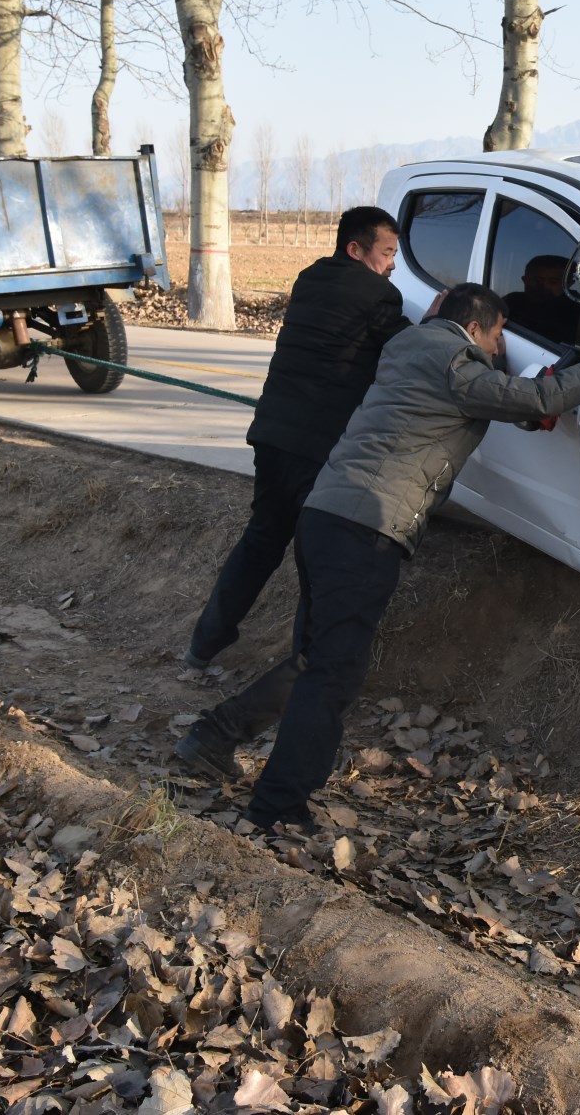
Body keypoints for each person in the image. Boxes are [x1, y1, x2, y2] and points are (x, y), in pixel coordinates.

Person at [227, 283, 580, 831]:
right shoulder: (457, 366)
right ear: (473, 330)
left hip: (325, 513)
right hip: (367, 527)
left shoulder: (407, 345)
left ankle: (212, 737)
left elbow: (469, 367)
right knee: (333, 674)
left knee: (313, 658)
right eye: (496, 337)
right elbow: (534, 400)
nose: (498, 350)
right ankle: (275, 805)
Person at [174, 209, 406, 762]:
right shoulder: (379, 299)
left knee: (261, 539)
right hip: (316, 448)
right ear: (356, 250)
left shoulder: (307, 278)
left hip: (272, 434)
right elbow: (404, 351)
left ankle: (204, 643)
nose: (392, 267)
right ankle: (306, 664)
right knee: (316, 558)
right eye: (387, 254)